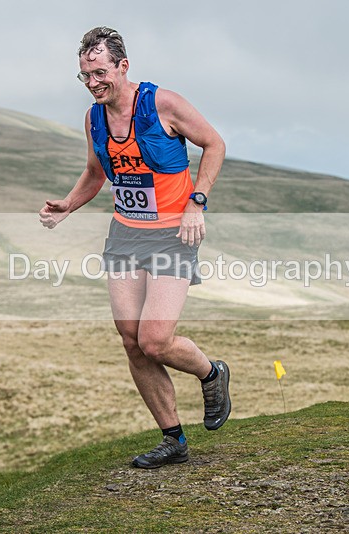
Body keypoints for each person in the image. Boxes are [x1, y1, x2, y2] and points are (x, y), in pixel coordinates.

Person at [39, 26, 230, 468]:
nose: (93, 83)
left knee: (156, 339)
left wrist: (197, 202)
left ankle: (211, 372)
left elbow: (214, 145)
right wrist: (67, 205)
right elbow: (94, 171)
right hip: (126, 234)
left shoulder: (163, 104)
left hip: (172, 233)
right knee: (131, 340)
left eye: (100, 72)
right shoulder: (94, 118)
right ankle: (173, 439)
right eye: (85, 75)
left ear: (123, 67)